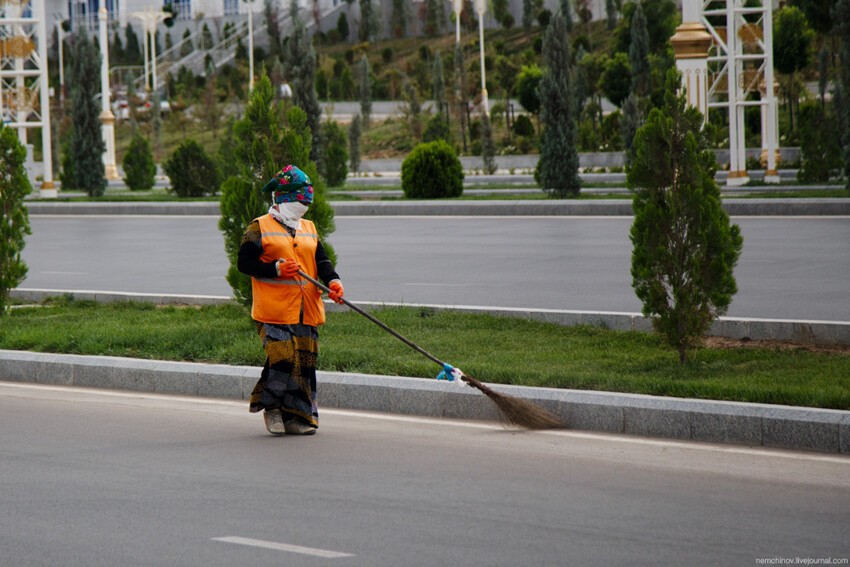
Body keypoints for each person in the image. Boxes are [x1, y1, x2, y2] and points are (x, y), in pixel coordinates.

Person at [237, 164, 344, 436]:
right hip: (272, 310)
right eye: (298, 200)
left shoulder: (308, 227)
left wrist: (333, 282)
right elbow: (244, 263)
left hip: (306, 308)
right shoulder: (258, 227)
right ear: (283, 198)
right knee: (283, 358)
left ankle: (296, 418)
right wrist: (275, 269)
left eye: (305, 201)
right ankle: (271, 408)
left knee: (304, 363)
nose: (303, 206)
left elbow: (322, 260)